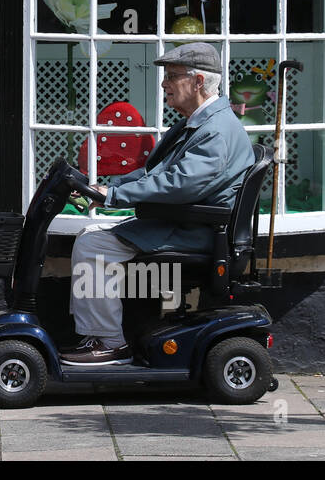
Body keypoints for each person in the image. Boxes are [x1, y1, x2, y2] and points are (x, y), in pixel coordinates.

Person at [61, 42, 255, 366]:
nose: (165, 83)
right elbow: (158, 172)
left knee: (93, 245)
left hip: (195, 230)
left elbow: (179, 184)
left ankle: (109, 343)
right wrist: (109, 188)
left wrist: (113, 197)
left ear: (198, 82)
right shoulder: (201, 122)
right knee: (91, 234)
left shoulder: (215, 132)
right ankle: (98, 334)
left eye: (172, 76)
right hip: (184, 222)